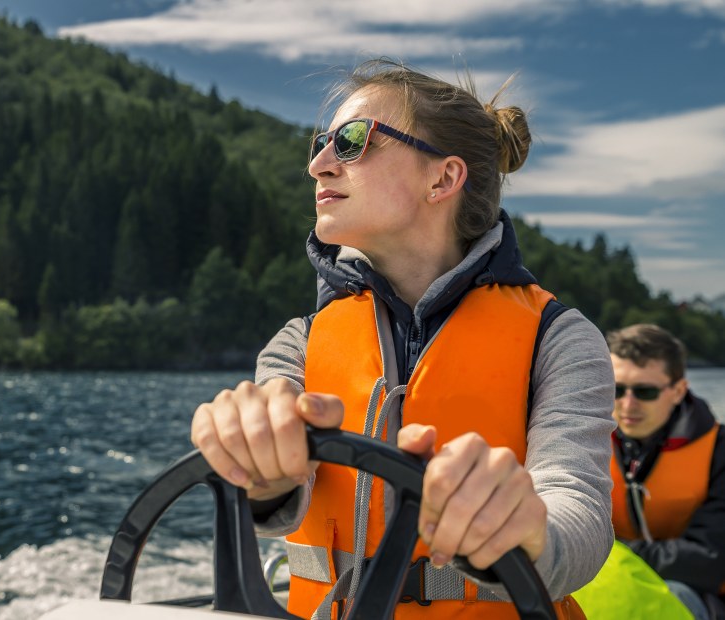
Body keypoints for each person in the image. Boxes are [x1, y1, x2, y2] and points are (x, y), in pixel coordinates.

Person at [190, 58, 615, 619]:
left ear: (443, 179)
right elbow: (276, 504)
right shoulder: (300, 341)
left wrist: (526, 529)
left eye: (351, 141)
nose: (318, 165)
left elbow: (577, 511)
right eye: (320, 143)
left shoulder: (558, 339)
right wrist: (256, 464)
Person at [605, 323, 725, 619]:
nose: (628, 404)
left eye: (645, 391)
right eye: (617, 389)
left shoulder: (719, 450)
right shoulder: (581, 442)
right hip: (602, 582)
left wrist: (611, 554)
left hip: (694, 593)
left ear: (678, 390)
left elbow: (711, 559)